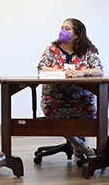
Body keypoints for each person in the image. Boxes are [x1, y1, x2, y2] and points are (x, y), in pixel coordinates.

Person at [37, 18, 103, 156]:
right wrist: (63, 72)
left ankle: (80, 143)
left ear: (77, 34)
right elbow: (41, 69)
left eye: (67, 28)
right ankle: (79, 144)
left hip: (82, 98)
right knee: (55, 114)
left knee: (89, 111)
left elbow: (99, 70)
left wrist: (82, 72)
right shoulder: (52, 50)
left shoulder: (87, 51)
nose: (63, 31)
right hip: (55, 98)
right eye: (62, 27)